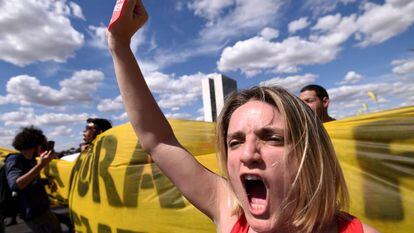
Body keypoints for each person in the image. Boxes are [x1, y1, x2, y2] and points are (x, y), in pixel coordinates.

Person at [107, 1, 379, 232]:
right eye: (234, 141)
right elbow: (158, 141)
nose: (248, 154)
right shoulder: (230, 213)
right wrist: (119, 44)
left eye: (272, 138)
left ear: (312, 153)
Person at [4, 126, 62, 233]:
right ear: (35, 145)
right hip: (33, 212)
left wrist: (47, 181)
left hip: (42, 208)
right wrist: (41, 165)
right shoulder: (14, 160)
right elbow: (16, 185)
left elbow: (32, 182)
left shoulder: (31, 160)